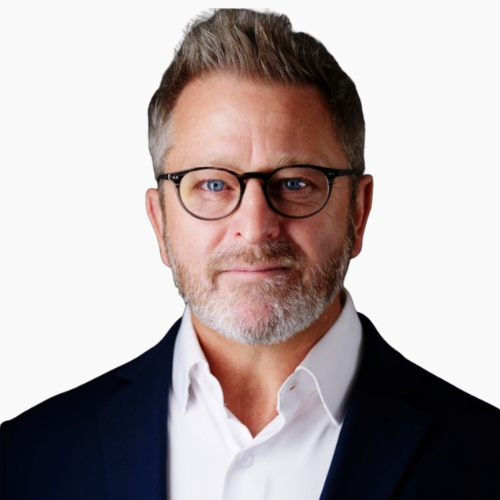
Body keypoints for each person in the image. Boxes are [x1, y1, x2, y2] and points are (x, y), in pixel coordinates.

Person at [1, 8, 499, 500]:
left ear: (358, 212)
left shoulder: (486, 456)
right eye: (213, 184)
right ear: (160, 221)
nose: (256, 227)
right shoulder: (25, 459)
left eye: (296, 182)